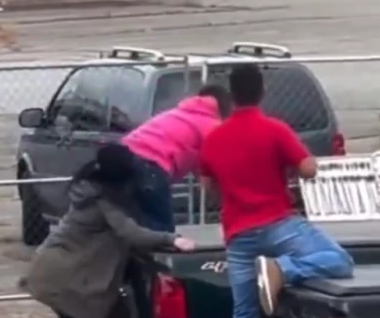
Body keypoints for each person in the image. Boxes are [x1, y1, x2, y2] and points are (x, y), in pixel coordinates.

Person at [200, 64, 354, 318]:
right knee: (339, 261)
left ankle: (272, 272)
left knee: (244, 311)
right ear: (262, 92)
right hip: (279, 224)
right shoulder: (274, 129)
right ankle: (281, 270)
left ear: (231, 95)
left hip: (238, 234)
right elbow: (308, 169)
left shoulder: (213, 138)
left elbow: (209, 187)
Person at [22, 144, 197, 318]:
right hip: (65, 279)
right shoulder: (103, 201)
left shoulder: (94, 189)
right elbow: (131, 233)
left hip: (60, 273)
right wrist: (172, 239)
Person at [123, 83, 233, 232]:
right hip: (149, 164)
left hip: (123, 157)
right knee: (162, 228)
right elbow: (216, 170)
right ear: (225, 108)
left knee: (137, 222)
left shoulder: (181, 114)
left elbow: (201, 169)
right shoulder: (211, 125)